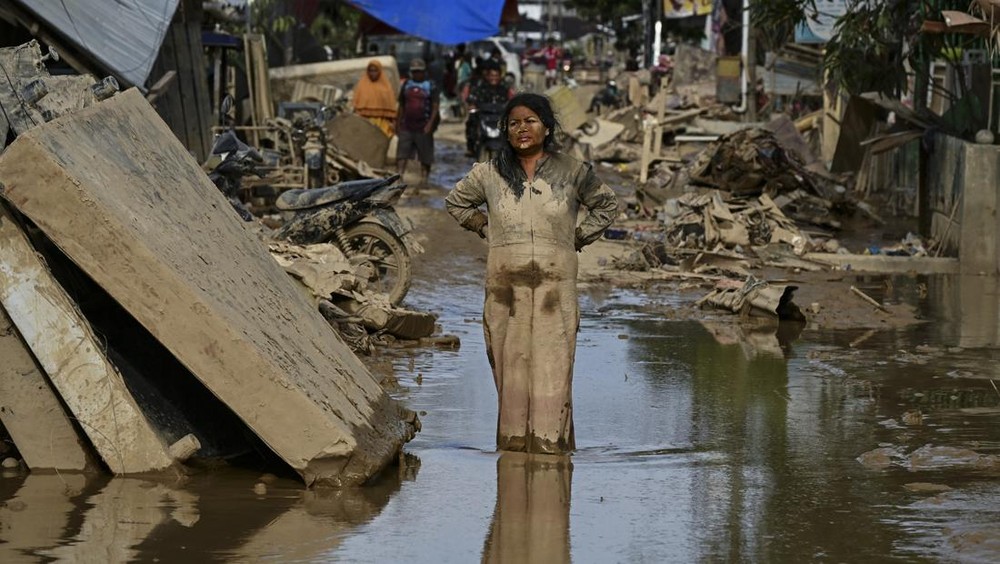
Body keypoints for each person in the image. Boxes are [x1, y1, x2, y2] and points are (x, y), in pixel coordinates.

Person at [445, 93, 618, 454]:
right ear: (505, 131)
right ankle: (512, 455)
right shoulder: (489, 173)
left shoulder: (572, 171)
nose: (522, 129)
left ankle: (550, 451)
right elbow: (456, 202)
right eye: (514, 123)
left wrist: (577, 238)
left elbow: (607, 205)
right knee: (511, 373)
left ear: (547, 126)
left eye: (530, 121)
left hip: (556, 293)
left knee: (554, 371)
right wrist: (485, 228)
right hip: (505, 291)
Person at [396, 58, 440, 186]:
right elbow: (401, 105)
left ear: (424, 71)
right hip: (407, 125)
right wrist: (398, 122)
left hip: (424, 125)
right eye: (414, 72)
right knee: (402, 153)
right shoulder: (406, 85)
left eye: (419, 71)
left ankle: (424, 179)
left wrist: (430, 124)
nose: (417, 74)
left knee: (425, 155)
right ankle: (399, 176)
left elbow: (435, 106)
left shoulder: (430, 86)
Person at [464, 59, 515, 157]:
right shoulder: (480, 88)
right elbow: (472, 100)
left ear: (500, 76)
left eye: (496, 76)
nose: (494, 78)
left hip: (500, 118)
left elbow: (512, 99)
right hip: (484, 118)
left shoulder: (505, 87)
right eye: (492, 75)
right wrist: (472, 106)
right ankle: (471, 147)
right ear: (487, 76)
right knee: (471, 123)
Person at [351, 59, 398, 137]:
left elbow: (391, 111)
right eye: (371, 71)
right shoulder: (362, 86)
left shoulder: (386, 88)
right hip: (365, 123)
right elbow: (357, 108)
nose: (373, 73)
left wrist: (392, 123)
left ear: (379, 71)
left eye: (375, 70)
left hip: (382, 124)